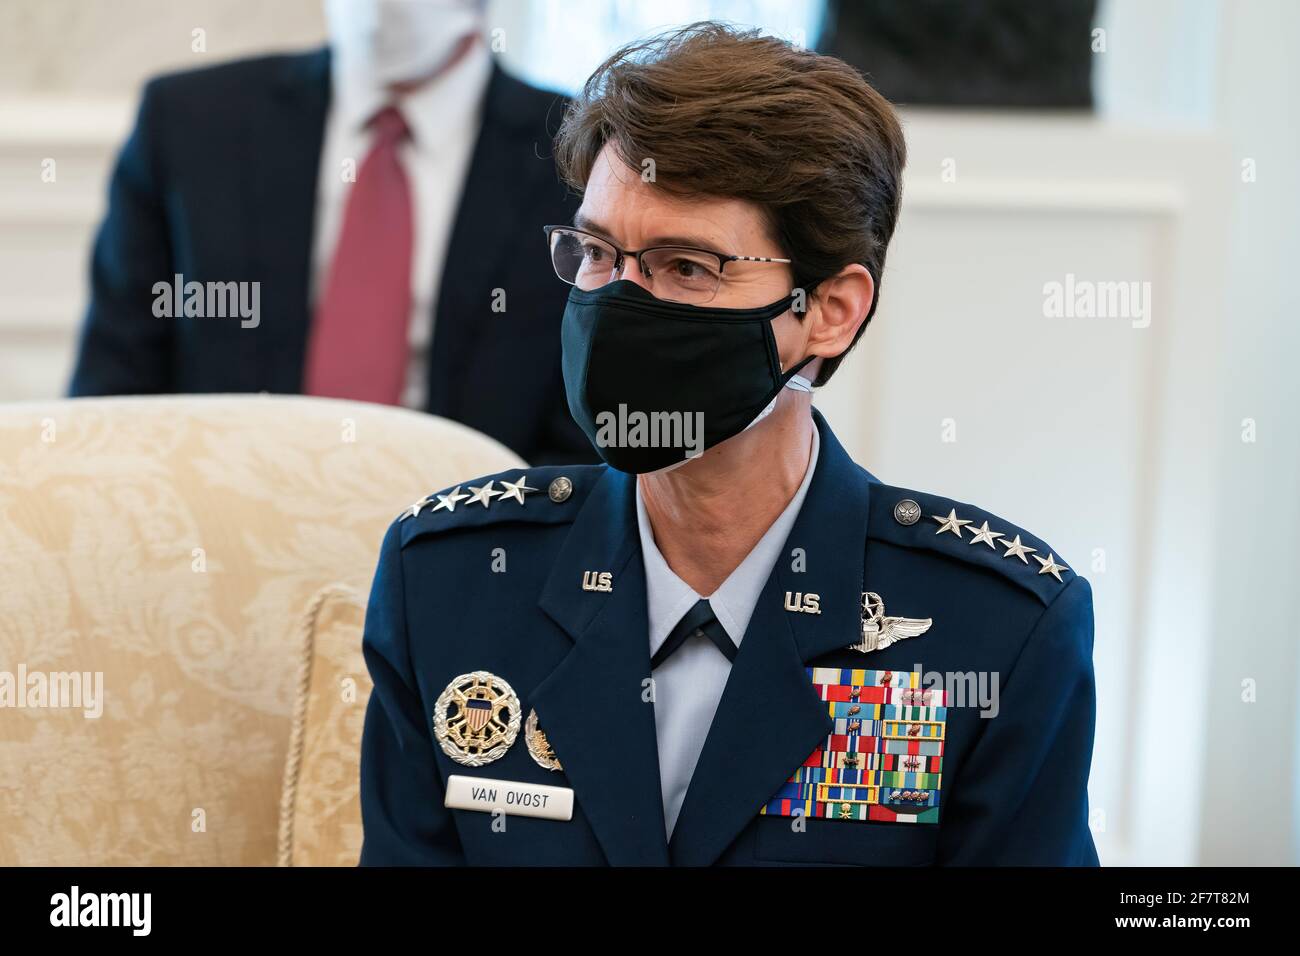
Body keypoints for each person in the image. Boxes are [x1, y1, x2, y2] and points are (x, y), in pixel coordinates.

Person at [358, 22, 1099, 866]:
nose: (617, 306)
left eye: (687, 267)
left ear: (829, 310)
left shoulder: (995, 630)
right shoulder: (450, 582)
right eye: (598, 254)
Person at [68, 0, 590, 464]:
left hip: (482, 548)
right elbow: (112, 402)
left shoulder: (584, 158)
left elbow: (584, 435)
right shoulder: (190, 124)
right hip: (217, 537)